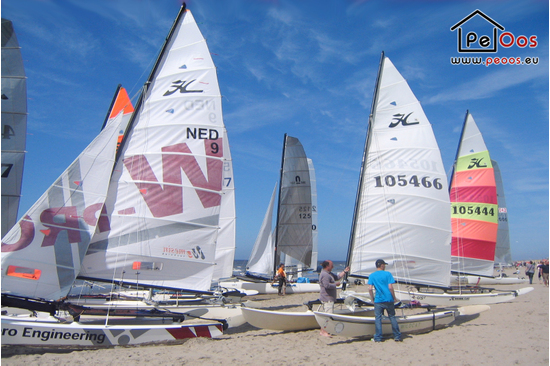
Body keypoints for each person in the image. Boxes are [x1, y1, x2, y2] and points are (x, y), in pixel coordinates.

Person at [368, 259, 402, 342]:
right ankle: (397, 336)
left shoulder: (372, 275)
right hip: (388, 299)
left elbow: (370, 289)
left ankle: (378, 337)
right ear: (382, 265)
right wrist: (394, 298)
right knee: (392, 317)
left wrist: (372, 299)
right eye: (384, 265)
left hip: (378, 300)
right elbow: (390, 287)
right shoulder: (388, 274)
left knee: (378, 318)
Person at [318, 260, 349, 337]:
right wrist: (335, 284)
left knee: (327, 314)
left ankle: (323, 331)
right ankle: (324, 331)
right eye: (332, 265)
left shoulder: (329, 273)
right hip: (327, 298)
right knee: (328, 315)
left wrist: (344, 271)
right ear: (327, 266)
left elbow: (337, 277)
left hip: (329, 298)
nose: (333, 267)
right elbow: (326, 285)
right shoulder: (325, 274)